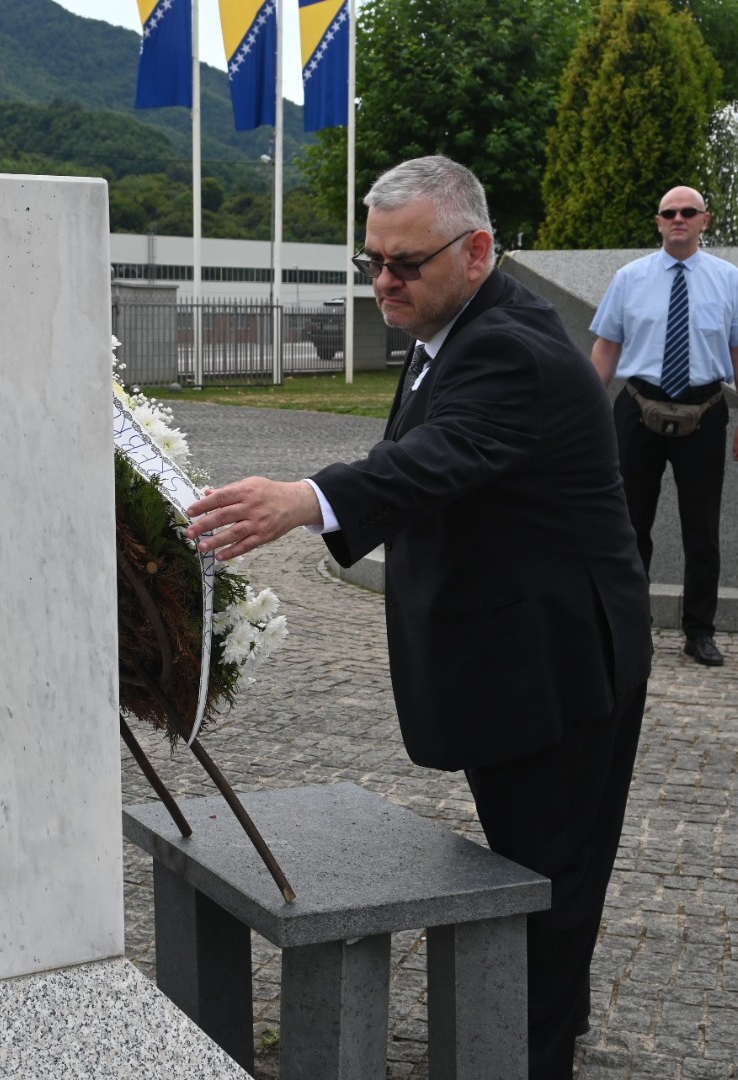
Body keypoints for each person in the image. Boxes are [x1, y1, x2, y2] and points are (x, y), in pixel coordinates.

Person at [184, 156, 652, 1080]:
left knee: (547, 887)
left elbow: (435, 459)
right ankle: (542, 1021)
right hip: (515, 651)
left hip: (562, 664)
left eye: (405, 264)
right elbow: (415, 454)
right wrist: (322, 494)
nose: (383, 284)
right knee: (535, 867)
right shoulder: (450, 327)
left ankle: (530, 1055)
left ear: (476, 250)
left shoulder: (507, 346)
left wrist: (306, 498)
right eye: (370, 263)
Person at [589, 187, 738, 667]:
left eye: (688, 212)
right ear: (658, 222)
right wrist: (588, 413)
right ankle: (630, 626)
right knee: (630, 526)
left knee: (702, 530)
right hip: (637, 408)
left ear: (704, 221)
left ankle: (699, 632)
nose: (678, 218)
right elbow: (607, 347)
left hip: (706, 410)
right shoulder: (630, 279)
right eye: (669, 213)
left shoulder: (729, 281)